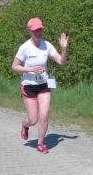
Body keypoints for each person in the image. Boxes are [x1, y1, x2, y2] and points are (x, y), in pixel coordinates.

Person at [11, 17, 69, 154]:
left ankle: (40, 144)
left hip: (43, 85)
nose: (38, 32)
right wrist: (30, 69)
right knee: (33, 120)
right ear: (30, 31)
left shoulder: (47, 45)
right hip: (29, 86)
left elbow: (61, 61)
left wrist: (64, 49)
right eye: (35, 30)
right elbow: (14, 67)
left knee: (44, 116)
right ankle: (25, 125)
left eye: (40, 30)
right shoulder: (24, 47)